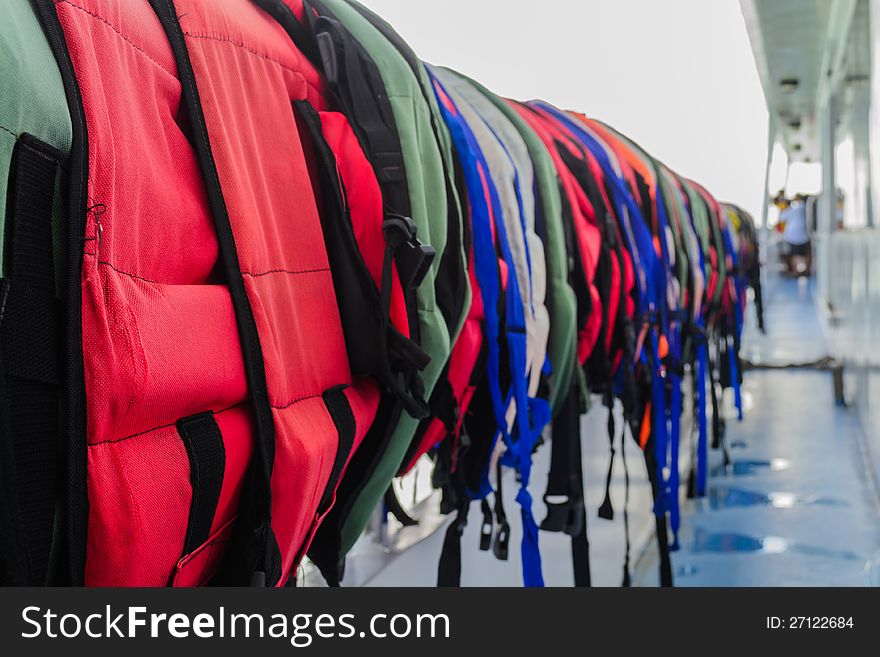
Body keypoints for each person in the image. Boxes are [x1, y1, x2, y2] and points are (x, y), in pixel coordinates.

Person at [779, 194, 811, 276]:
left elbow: (782, 217)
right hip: (805, 236)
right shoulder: (808, 208)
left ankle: (796, 272)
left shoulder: (793, 209)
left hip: (794, 237)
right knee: (806, 254)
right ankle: (806, 272)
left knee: (794, 254)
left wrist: (783, 206)